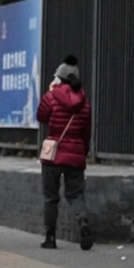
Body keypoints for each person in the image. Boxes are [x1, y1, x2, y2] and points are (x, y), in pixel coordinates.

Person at [37, 55, 92, 250]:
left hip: (54, 154)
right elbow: (86, 131)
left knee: (50, 197)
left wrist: (50, 92)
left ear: (59, 78)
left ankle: (50, 238)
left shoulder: (51, 97)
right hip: (76, 153)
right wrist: (83, 152)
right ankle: (83, 220)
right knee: (76, 195)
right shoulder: (85, 102)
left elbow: (41, 116)